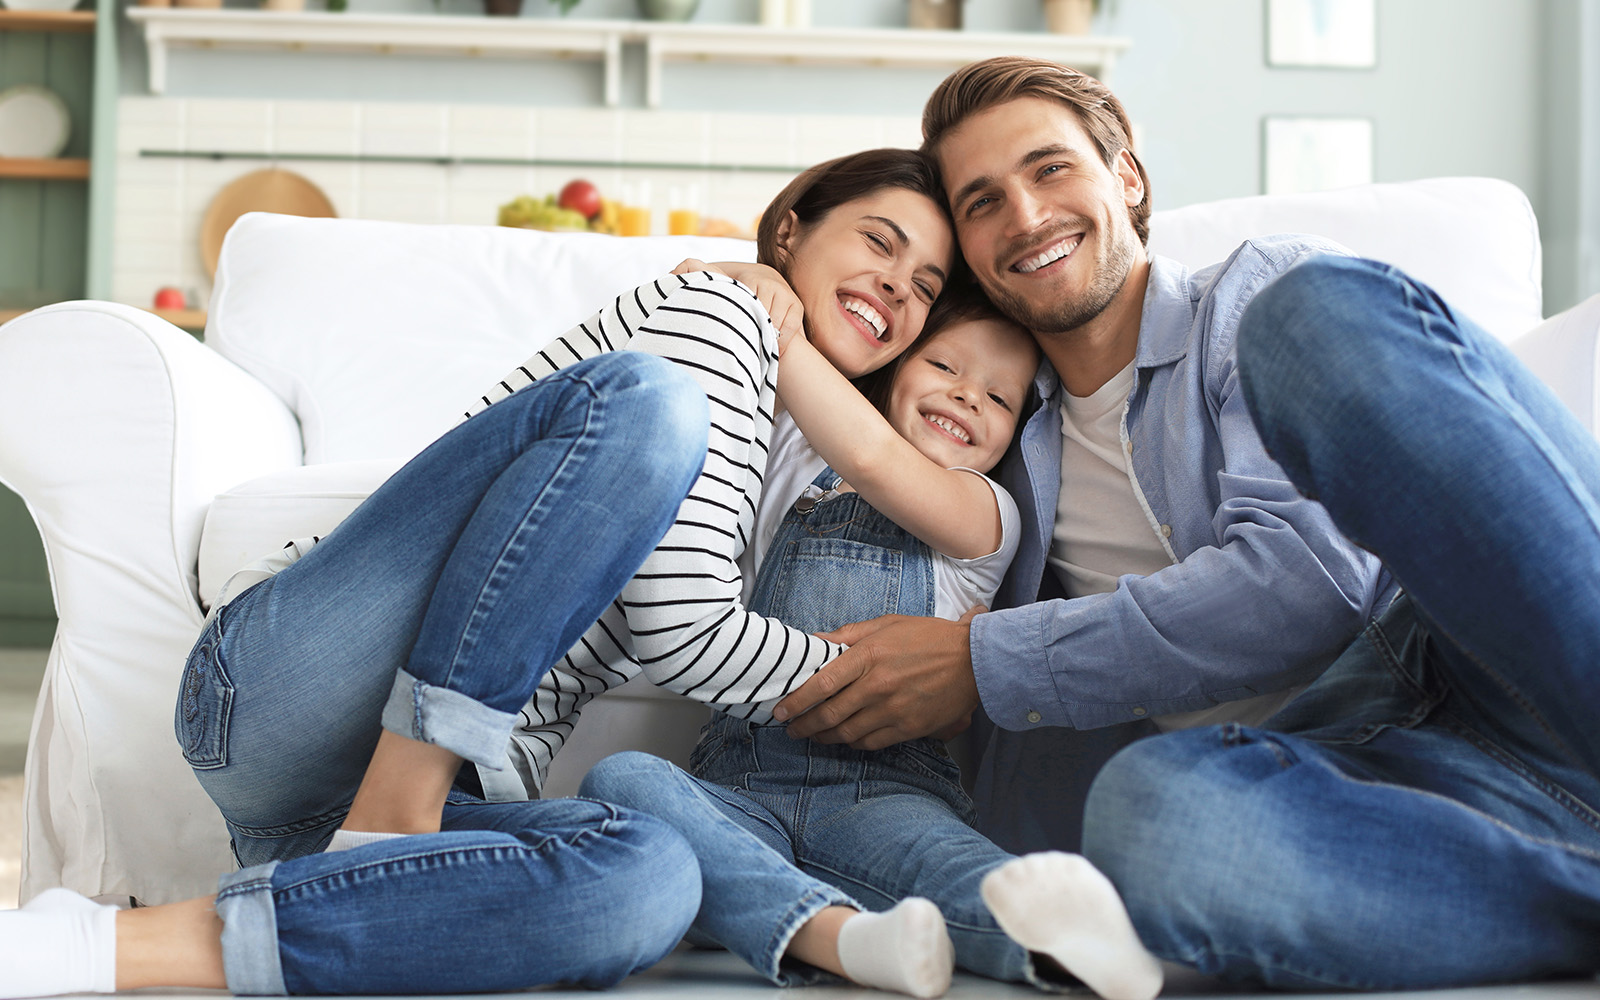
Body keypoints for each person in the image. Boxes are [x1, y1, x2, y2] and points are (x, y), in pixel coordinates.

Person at [0, 148, 955, 999]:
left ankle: (109, 949)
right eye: (880, 241)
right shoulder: (723, 312)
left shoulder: (798, 442)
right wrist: (922, 681)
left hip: (407, 804)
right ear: (791, 228)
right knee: (648, 403)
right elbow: (684, 630)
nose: (896, 288)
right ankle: (396, 806)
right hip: (299, 692)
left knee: (649, 880)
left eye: (925, 285)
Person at [769, 55, 1600, 990]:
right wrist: (754, 282)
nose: (1028, 217)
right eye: (983, 202)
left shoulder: (1248, 305)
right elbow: (849, 382)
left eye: (1050, 170)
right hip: (1347, 782)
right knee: (1148, 818)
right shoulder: (986, 431)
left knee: (1317, 317)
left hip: (1485, 654)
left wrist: (985, 662)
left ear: (1127, 177)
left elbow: (1312, 581)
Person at [582, 288, 1168, 1000]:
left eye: (999, 398)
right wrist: (747, 285)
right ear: (893, 368)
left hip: (884, 791)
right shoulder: (797, 463)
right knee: (625, 782)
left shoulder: (987, 514)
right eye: (945, 365)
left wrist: (792, 344)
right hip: (738, 788)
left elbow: (876, 461)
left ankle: (1073, 940)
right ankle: (847, 937)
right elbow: (761, 383)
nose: (966, 396)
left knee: (959, 871)